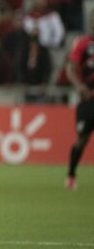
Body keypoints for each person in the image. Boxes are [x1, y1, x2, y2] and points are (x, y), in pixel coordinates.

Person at [65, 11, 94, 190]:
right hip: (88, 99)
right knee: (81, 139)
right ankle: (71, 174)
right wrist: (79, 86)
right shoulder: (83, 44)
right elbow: (71, 67)